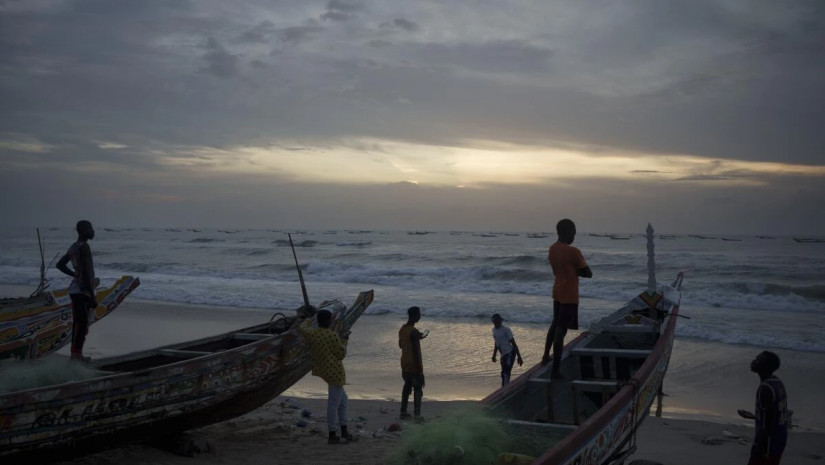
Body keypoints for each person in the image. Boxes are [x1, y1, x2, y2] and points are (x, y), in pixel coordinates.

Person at [542, 218, 592, 379]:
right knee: (561, 330)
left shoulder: (552, 249)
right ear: (568, 232)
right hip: (570, 294)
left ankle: (545, 357)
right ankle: (556, 370)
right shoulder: (573, 251)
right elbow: (588, 273)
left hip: (557, 290)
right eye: (573, 233)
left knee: (555, 323)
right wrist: (576, 271)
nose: (574, 236)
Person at [298, 309, 357, 445]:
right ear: (329, 321)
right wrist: (345, 341)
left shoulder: (313, 334)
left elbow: (302, 328)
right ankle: (332, 434)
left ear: (318, 321)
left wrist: (309, 318)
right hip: (336, 373)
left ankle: (344, 431)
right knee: (334, 404)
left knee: (343, 402)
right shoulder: (332, 336)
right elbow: (341, 354)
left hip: (325, 371)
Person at [56, 220, 98, 362]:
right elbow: (86, 272)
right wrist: (92, 296)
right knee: (81, 323)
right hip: (82, 291)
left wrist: (74, 274)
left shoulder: (73, 247)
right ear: (83, 230)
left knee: (80, 322)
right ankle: (76, 355)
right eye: (90, 229)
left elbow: (60, 265)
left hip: (76, 289)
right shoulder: (84, 247)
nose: (93, 232)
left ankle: (76, 354)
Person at [738, 351, 788, 465]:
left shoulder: (765, 388)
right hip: (779, 441)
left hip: (767, 446)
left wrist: (759, 447)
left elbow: (767, 426)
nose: (753, 362)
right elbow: (775, 415)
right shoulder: (778, 383)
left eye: (758, 360)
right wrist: (754, 416)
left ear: (764, 366)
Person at [399, 306, 427, 421]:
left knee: (407, 387)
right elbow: (415, 351)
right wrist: (420, 370)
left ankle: (403, 411)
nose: (420, 316)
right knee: (418, 388)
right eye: (419, 314)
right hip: (414, 365)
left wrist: (417, 337)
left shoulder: (402, 329)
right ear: (415, 316)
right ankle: (417, 415)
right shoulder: (414, 332)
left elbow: (400, 345)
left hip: (404, 363)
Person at [491, 313, 523, 386]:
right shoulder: (494, 330)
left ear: (500, 321)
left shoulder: (506, 330)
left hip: (509, 352)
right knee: (503, 372)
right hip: (503, 354)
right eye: (495, 321)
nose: (496, 323)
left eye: (498, 321)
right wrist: (494, 355)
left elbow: (514, 344)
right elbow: (496, 343)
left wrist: (519, 357)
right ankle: (505, 387)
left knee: (505, 372)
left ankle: (504, 388)